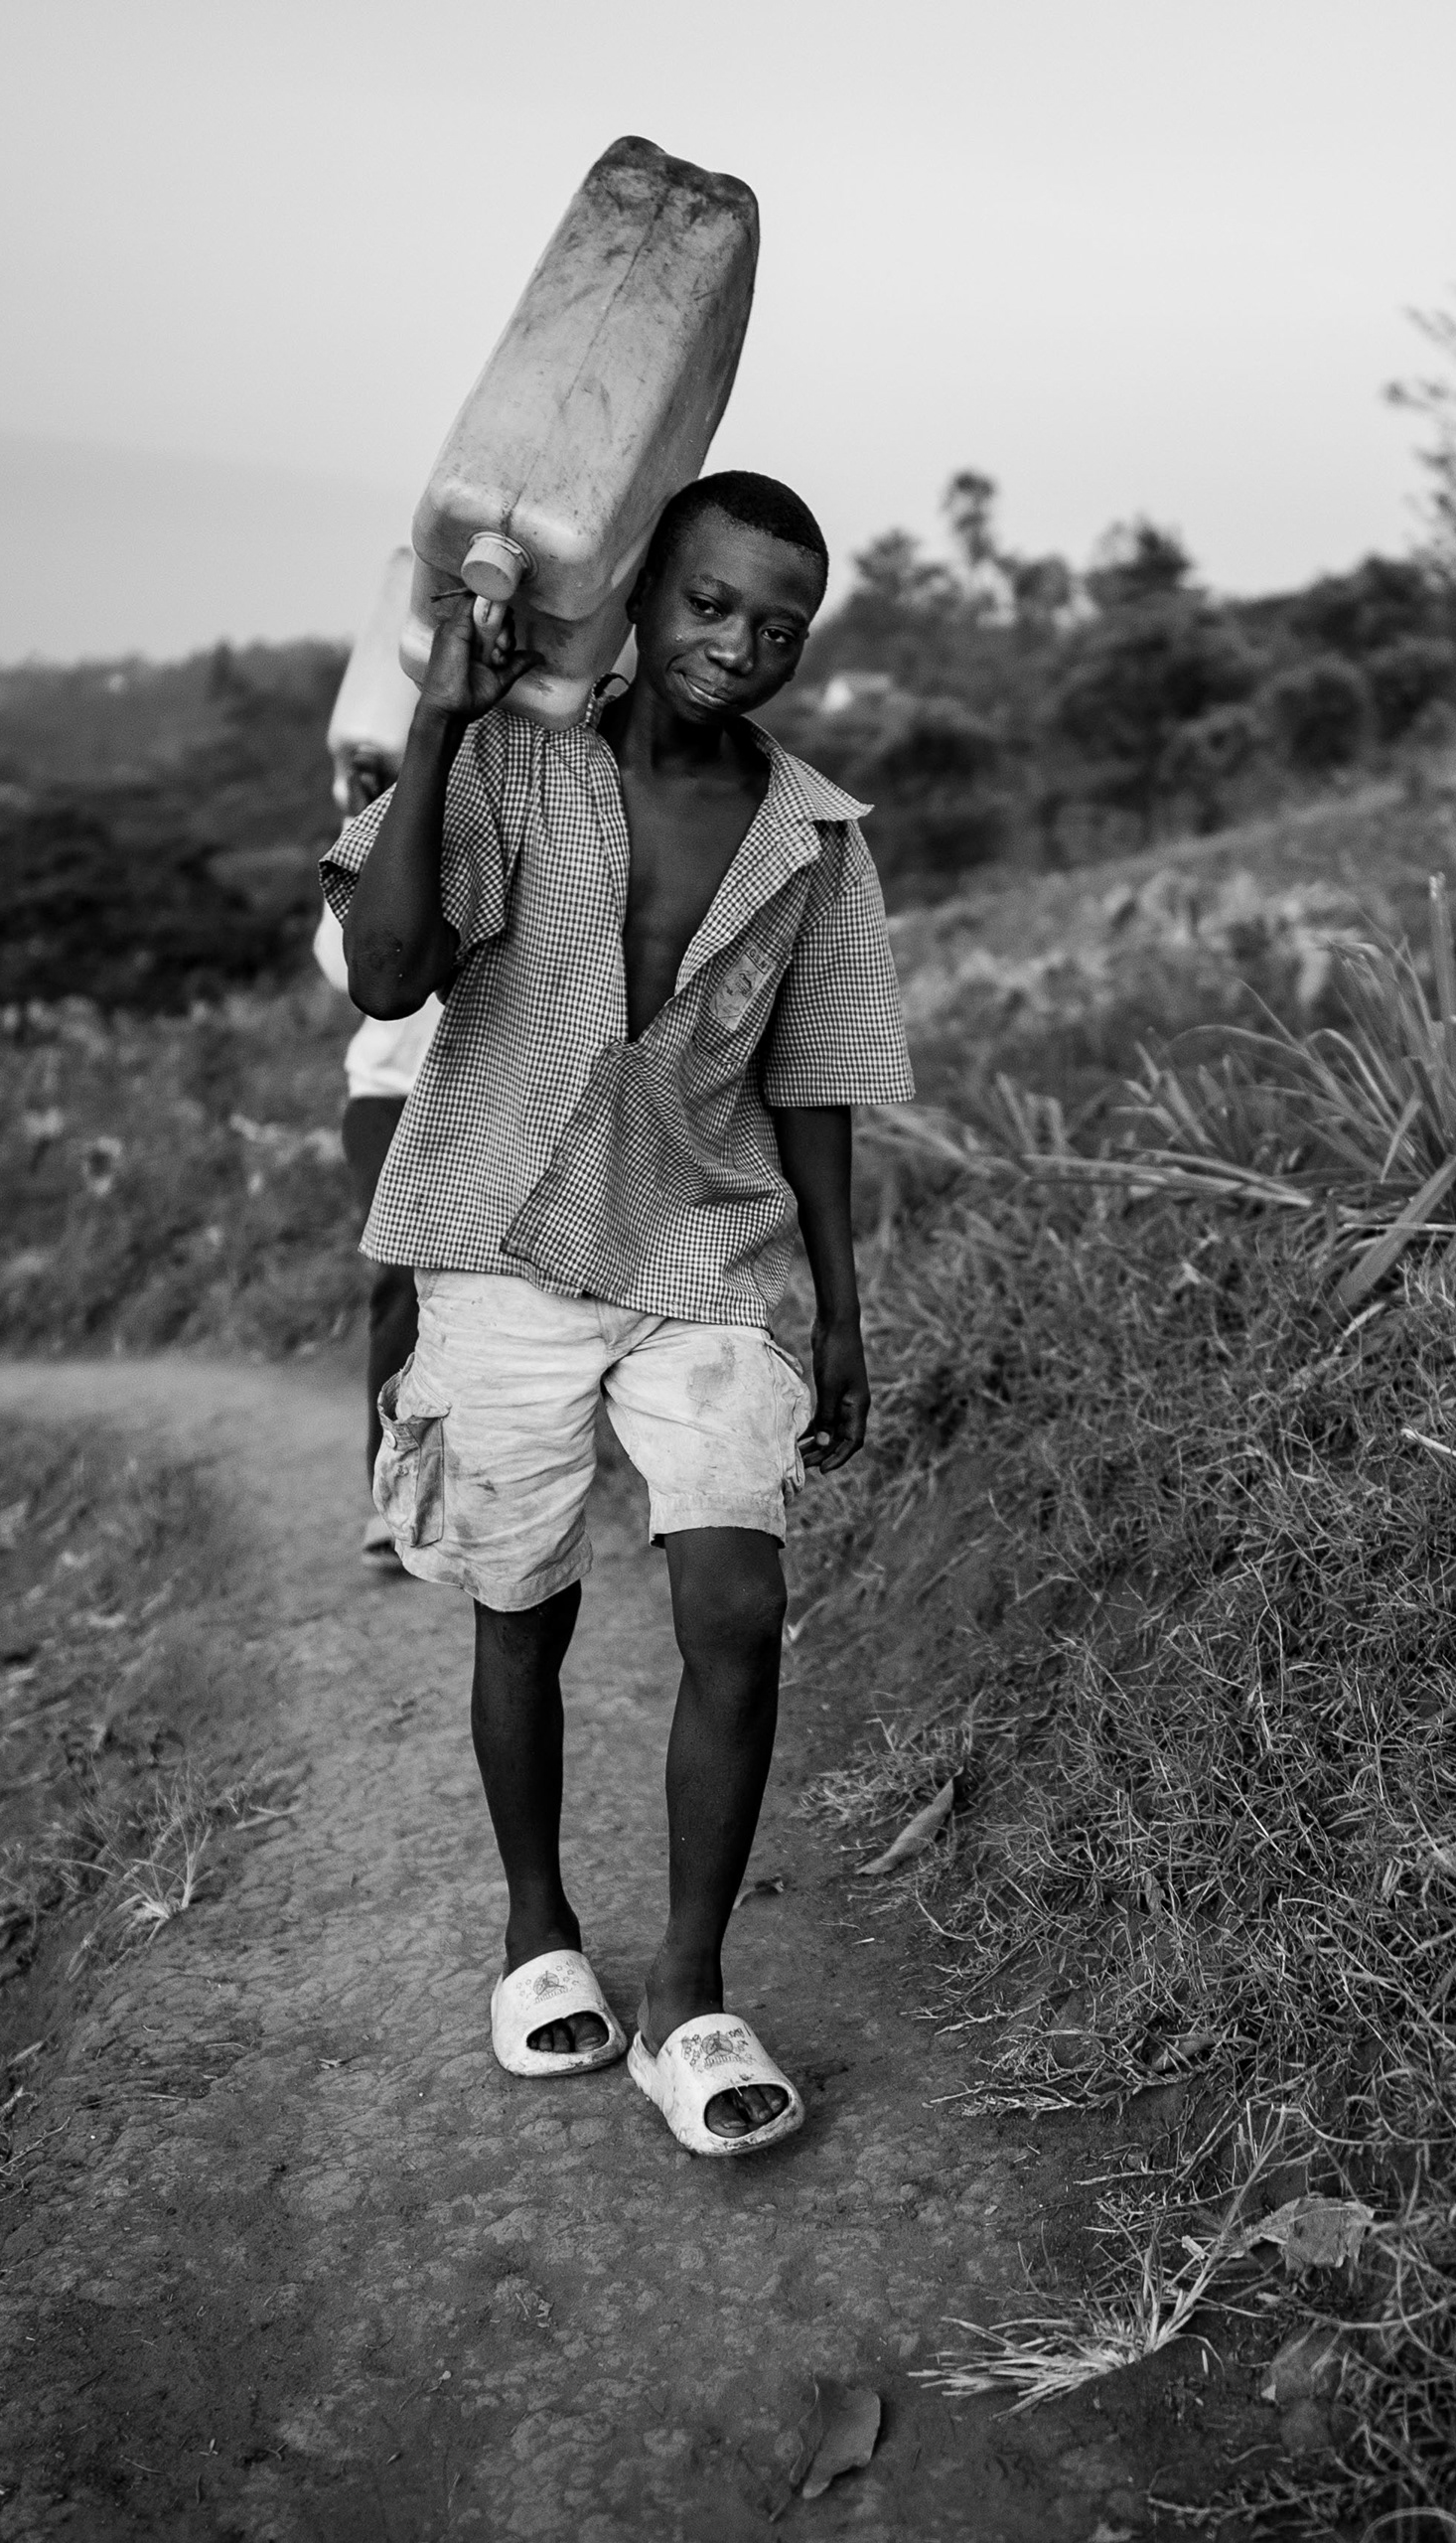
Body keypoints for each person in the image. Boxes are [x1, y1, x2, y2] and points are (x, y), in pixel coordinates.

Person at [328, 470, 907, 2161]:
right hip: (504, 1236)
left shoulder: (814, 834)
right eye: (713, 606)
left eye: (779, 626)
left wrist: (846, 1315)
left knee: (734, 1602)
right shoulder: (517, 765)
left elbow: (816, 1087)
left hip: (707, 1258)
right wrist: (440, 724)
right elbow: (383, 977)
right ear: (646, 601)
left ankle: (691, 1995)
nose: (741, 646)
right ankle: (534, 1925)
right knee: (526, 1606)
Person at [309, 793, 441, 1572]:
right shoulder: (384, 821)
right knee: (402, 1275)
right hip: (390, 1096)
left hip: (505, 1090)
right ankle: (390, 1494)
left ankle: (492, 1480)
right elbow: (341, 965)